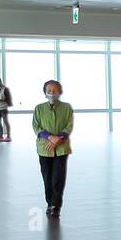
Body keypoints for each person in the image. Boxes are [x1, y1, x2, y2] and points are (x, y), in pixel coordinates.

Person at [32, 79, 74, 218]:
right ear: (45, 92)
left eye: (54, 90)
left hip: (61, 148)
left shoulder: (66, 108)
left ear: (60, 92)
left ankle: (56, 205)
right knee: (47, 177)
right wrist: (49, 137)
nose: (52, 93)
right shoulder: (39, 108)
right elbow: (36, 126)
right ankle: (49, 203)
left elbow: (69, 125)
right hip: (44, 148)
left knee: (58, 178)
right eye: (49, 90)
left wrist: (59, 138)